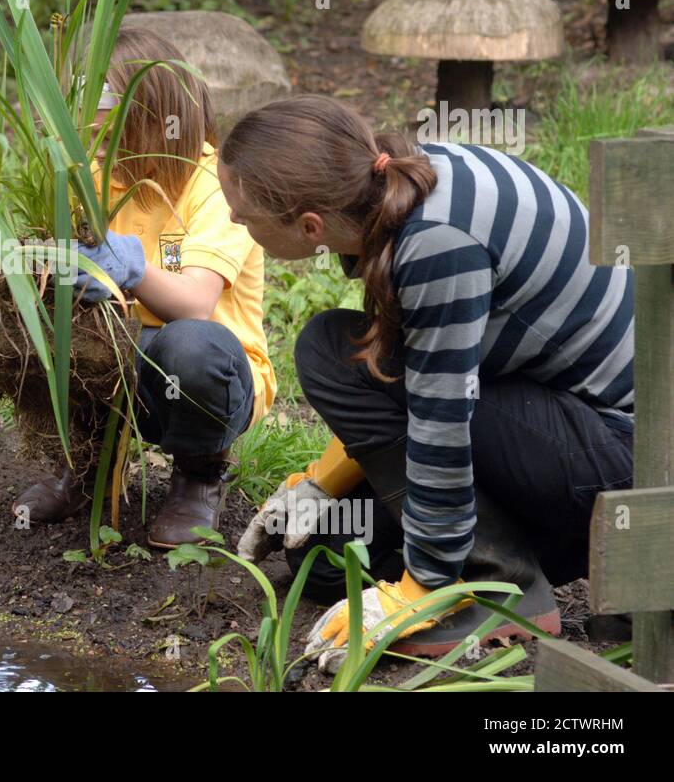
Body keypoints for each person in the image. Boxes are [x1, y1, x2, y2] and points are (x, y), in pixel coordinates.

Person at [223, 94, 634, 669]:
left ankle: (490, 583)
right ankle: (483, 557)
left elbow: (442, 417)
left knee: (323, 351)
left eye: (242, 216)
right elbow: (414, 357)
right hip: (558, 424)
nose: (234, 224)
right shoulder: (397, 178)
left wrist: (424, 589)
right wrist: (323, 482)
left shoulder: (438, 242)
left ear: (309, 224)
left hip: (619, 464)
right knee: (329, 553)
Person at [14, 27, 276, 547]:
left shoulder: (213, 186)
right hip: (124, 358)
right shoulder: (91, 176)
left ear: (157, 116)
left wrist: (126, 267)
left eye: (110, 122)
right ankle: (88, 465)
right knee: (51, 324)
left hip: (208, 371)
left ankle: (198, 475)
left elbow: (196, 303)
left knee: (189, 343)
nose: (97, 137)